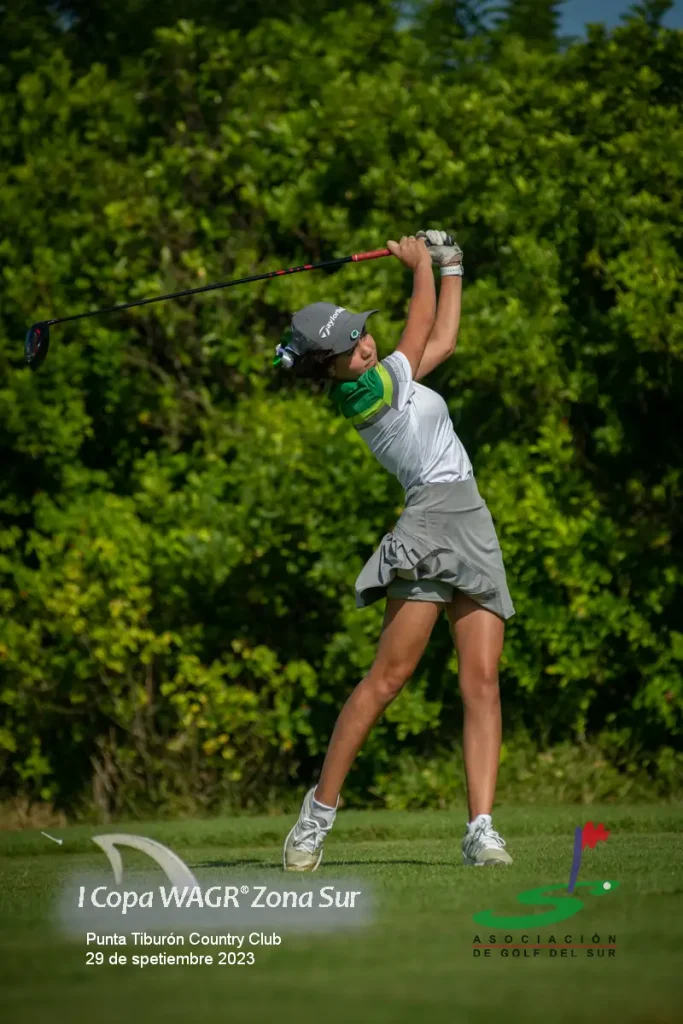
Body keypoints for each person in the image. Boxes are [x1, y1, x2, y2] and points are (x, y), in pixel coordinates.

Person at [274, 231, 515, 871]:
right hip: (429, 525)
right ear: (331, 367)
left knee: (482, 679)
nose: (366, 343)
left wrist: (451, 264)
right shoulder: (365, 392)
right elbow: (420, 327)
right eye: (351, 346)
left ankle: (482, 830)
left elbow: (444, 342)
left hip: (472, 518)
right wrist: (419, 267)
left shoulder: (386, 377)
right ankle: (316, 817)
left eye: (362, 332)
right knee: (388, 678)